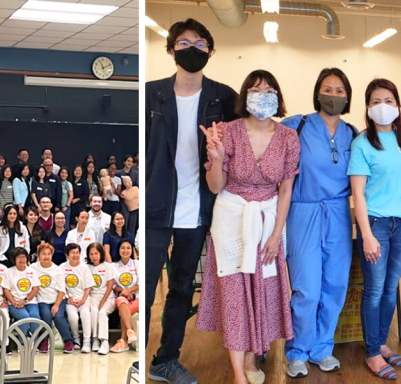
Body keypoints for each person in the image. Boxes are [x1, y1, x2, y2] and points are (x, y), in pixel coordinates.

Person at [145, 20, 239, 382]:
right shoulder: (152, 94)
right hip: (156, 207)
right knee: (148, 282)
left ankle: (165, 359)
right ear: (171, 50)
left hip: (198, 209)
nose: (192, 49)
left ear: (210, 51)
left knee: (182, 287)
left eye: (200, 44)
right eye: (184, 42)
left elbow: (253, 130)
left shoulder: (224, 97)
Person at [195, 69, 298, 384]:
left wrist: (277, 233)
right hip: (231, 219)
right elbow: (215, 186)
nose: (262, 95)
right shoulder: (227, 131)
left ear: (278, 97)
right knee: (235, 293)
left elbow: (285, 189)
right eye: (255, 90)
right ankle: (239, 372)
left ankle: (253, 357)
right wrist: (216, 158)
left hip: (267, 221)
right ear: (244, 96)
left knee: (262, 290)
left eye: (269, 90)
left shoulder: (287, 137)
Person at [276, 67, 359, 377]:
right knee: (306, 287)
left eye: (339, 91)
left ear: (348, 96)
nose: (333, 95)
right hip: (303, 212)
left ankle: (323, 347)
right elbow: (263, 141)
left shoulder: (353, 133)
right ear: (317, 92)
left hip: (339, 213)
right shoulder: (297, 125)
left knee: (335, 285)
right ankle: (297, 349)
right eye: (328, 89)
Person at [348, 79, 401, 379]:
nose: (383, 106)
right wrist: (366, 235)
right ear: (367, 107)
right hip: (376, 223)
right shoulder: (362, 143)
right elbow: (358, 193)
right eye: (376, 101)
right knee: (375, 291)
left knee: (391, 290)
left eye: (389, 100)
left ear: (398, 105)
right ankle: (373, 353)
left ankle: (380, 343)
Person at [30, 243, 73, 353]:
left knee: (58, 316)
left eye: (49, 254)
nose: (46, 256)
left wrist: (56, 305)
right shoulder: (33, 268)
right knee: (46, 314)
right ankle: (44, 340)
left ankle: (68, 340)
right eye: (43, 254)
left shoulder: (57, 270)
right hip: (42, 300)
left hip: (58, 299)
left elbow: (61, 291)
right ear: (39, 255)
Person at [3, 248, 42, 341]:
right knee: (24, 316)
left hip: (30, 301)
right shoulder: (8, 272)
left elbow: (35, 288)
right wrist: (14, 302)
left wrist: (25, 300)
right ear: (14, 259)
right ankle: (22, 342)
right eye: (19, 257)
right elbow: (6, 290)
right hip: (14, 302)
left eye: (24, 257)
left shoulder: (32, 271)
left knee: (35, 316)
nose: (22, 260)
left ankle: (34, 342)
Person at [60, 243, 92, 353]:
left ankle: (87, 341)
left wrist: (83, 300)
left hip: (84, 299)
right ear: (67, 255)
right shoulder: (62, 268)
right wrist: (68, 298)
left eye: (77, 252)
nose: (75, 255)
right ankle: (76, 339)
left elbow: (88, 288)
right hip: (70, 300)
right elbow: (61, 286)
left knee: (85, 314)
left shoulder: (84, 268)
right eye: (72, 253)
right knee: (72, 317)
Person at [110, 239, 139, 354]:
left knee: (124, 310)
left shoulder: (137, 264)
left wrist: (130, 290)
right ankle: (129, 331)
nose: (125, 250)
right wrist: (124, 291)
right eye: (123, 248)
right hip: (122, 297)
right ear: (118, 250)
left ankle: (123, 339)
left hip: (137, 297)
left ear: (132, 250)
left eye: (128, 248)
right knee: (121, 301)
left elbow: (141, 283)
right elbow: (113, 285)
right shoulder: (113, 266)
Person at [86, 243, 114, 355]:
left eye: (96, 253)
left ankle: (105, 342)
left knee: (102, 312)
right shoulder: (87, 268)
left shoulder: (108, 266)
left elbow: (110, 286)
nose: (94, 256)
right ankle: (95, 339)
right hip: (93, 296)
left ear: (101, 254)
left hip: (108, 297)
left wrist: (102, 302)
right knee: (93, 312)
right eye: (91, 254)